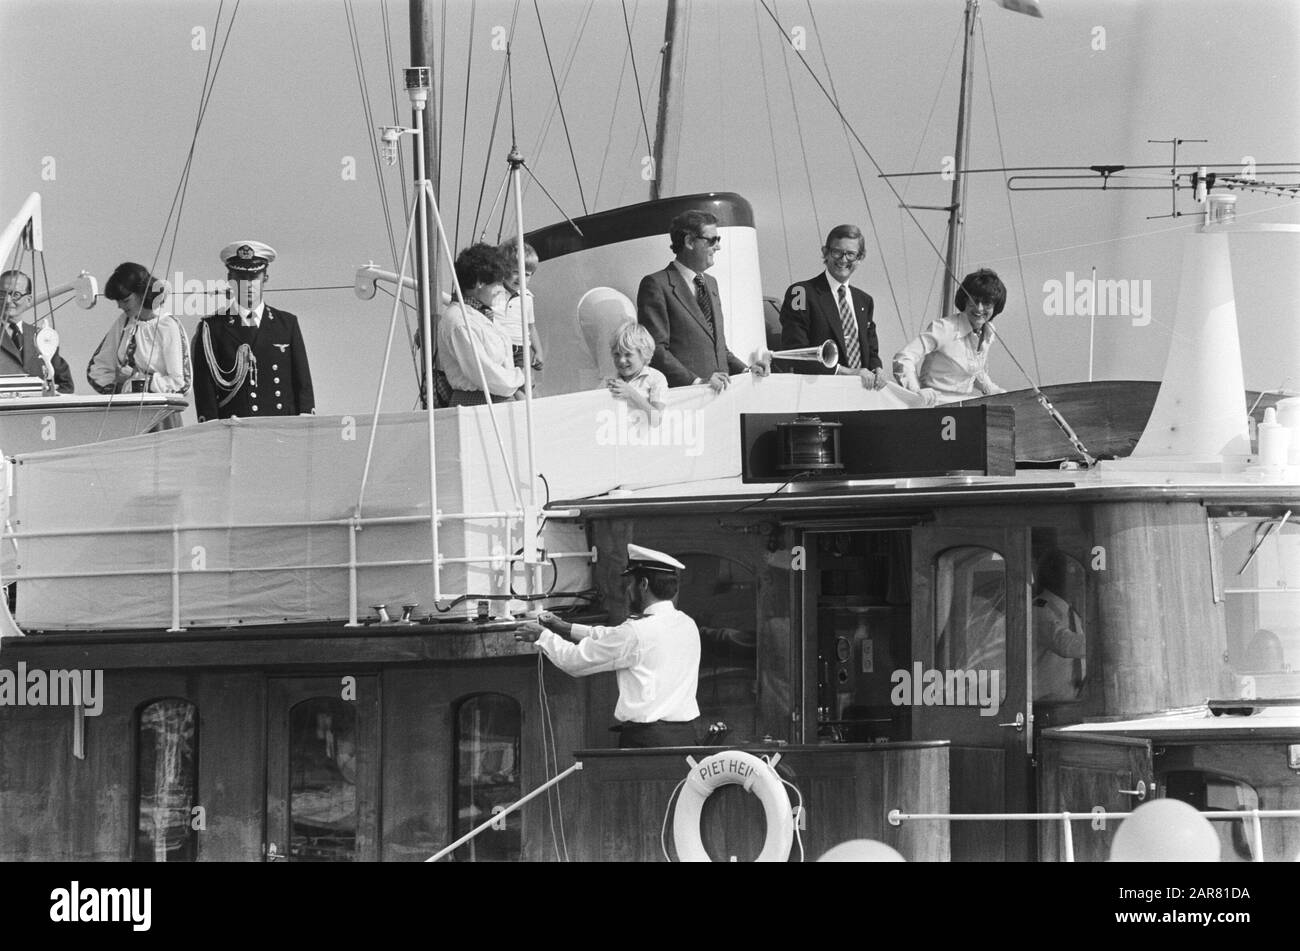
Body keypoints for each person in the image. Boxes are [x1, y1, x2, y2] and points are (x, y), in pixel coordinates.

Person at [516, 543, 702, 748]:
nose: (628, 591)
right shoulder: (687, 624)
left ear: (644, 584)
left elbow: (575, 662)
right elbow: (615, 637)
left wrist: (543, 636)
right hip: (687, 737)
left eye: (630, 584)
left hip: (649, 741)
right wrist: (566, 627)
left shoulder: (636, 632)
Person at [636, 209, 769, 392]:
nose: (718, 247)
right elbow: (655, 350)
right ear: (689, 241)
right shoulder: (656, 285)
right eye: (712, 240)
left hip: (721, 399)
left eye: (719, 240)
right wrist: (697, 382)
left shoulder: (711, 284)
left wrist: (746, 370)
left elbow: (719, 348)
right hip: (685, 400)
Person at [191, 241, 315, 422]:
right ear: (230, 279)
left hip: (281, 426)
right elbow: (205, 389)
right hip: (234, 430)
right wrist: (210, 427)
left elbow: (302, 381)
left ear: (265, 278)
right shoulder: (212, 328)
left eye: (254, 277)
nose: (248, 285)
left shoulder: (286, 324)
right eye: (241, 278)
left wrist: (305, 419)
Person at [777, 224, 886, 388]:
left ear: (860, 258)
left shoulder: (864, 301)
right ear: (825, 252)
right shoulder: (800, 292)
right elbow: (797, 352)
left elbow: (871, 349)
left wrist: (878, 369)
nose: (843, 260)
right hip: (820, 393)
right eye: (837, 252)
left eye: (850, 254)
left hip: (861, 396)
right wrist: (846, 372)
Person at [893, 268, 1007, 403]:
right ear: (964, 301)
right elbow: (903, 358)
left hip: (967, 405)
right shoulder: (944, 328)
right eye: (974, 301)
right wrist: (916, 391)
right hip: (936, 407)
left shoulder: (988, 332)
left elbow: (975, 370)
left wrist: (996, 392)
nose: (979, 308)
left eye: (987, 304)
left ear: (995, 307)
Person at [436, 243, 524, 405]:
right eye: (497, 283)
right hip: (478, 404)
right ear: (479, 283)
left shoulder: (481, 315)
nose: (501, 289)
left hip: (497, 401)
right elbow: (484, 373)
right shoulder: (460, 321)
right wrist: (519, 378)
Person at [88, 262, 192, 397]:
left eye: (125, 300)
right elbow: (97, 369)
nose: (119, 306)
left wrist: (136, 379)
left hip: (159, 412)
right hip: (125, 411)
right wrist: (121, 389)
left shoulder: (168, 326)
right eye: (117, 301)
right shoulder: (124, 321)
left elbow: (181, 384)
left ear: (142, 294)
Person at [0, 268, 74, 393]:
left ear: (28, 300)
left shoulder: (42, 337)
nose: (8, 300)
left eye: (15, 295)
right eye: (2, 294)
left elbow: (65, 385)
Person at [1032, 550, 1087, 702]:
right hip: (1046, 704)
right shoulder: (1039, 609)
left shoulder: (1071, 612)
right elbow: (1065, 644)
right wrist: (1107, 644)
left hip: (1072, 701)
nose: (1078, 579)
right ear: (1052, 575)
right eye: (1071, 572)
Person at [496, 239, 544, 387]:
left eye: (527, 274)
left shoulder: (527, 297)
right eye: (516, 272)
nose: (521, 278)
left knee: (525, 385)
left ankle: (529, 408)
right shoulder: (494, 292)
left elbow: (530, 327)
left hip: (520, 348)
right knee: (510, 385)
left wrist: (538, 351)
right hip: (501, 347)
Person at [605, 321, 667, 424]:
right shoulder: (609, 380)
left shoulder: (656, 378)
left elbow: (656, 420)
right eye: (617, 354)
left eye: (628, 354)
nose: (621, 360)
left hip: (644, 439)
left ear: (644, 353)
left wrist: (631, 393)